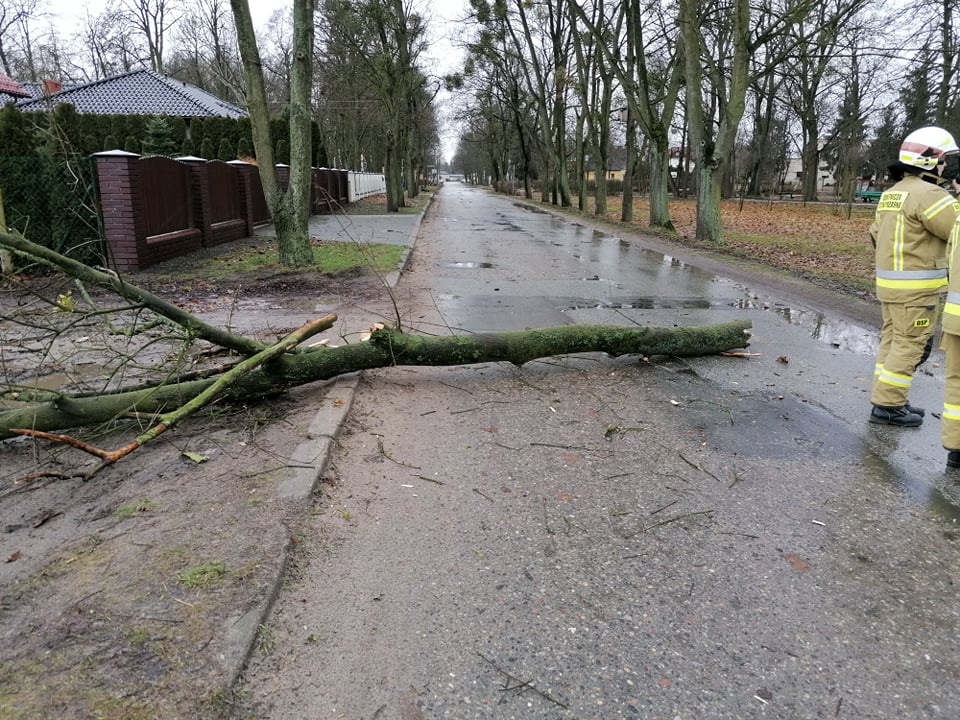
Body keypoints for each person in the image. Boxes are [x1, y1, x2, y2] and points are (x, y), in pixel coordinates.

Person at [869, 126, 960, 427]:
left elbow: (874, 233)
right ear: (929, 161)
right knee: (911, 344)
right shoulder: (932, 194)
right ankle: (888, 405)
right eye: (943, 160)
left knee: (893, 341)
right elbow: (955, 231)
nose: (946, 167)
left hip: (889, 286)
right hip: (917, 290)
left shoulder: (891, 194)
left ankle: (887, 398)